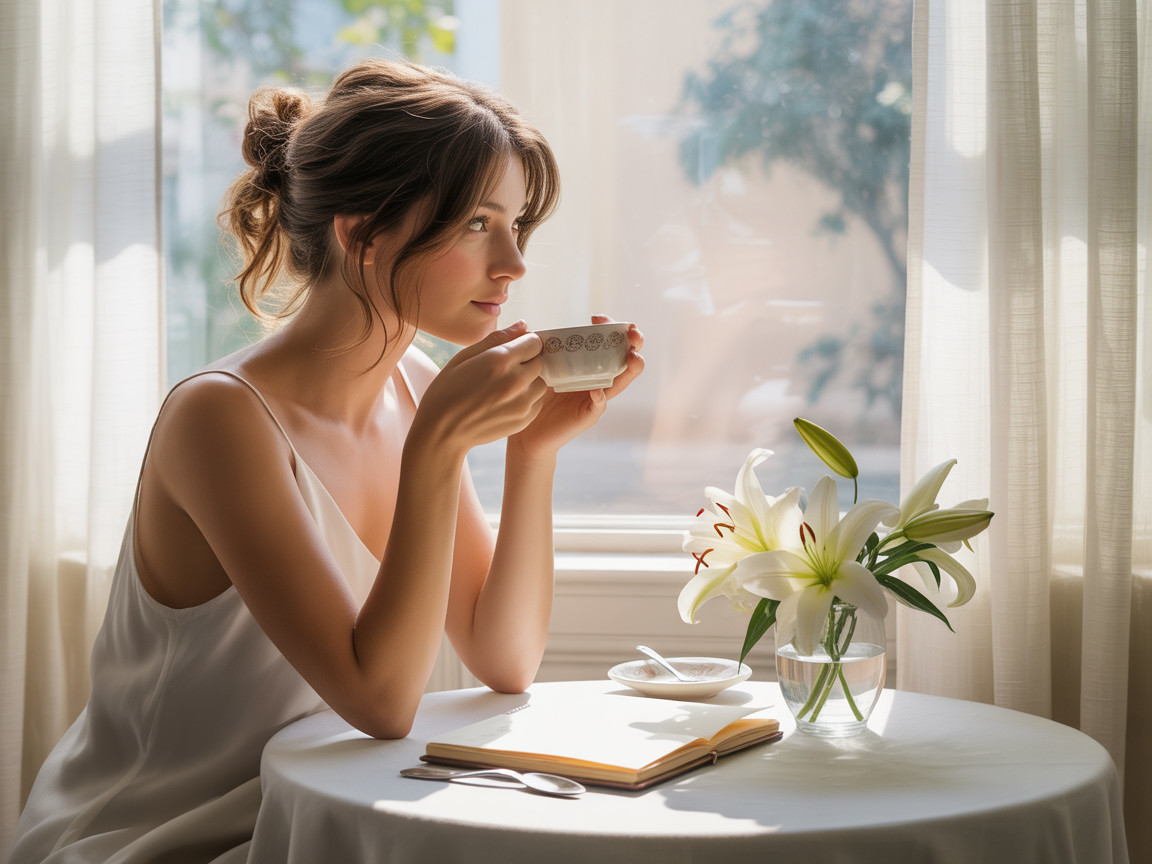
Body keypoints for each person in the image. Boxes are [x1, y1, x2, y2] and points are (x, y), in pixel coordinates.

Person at [7, 57, 644, 863]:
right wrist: (440, 449)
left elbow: (503, 655)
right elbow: (380, 700)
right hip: (164, 841)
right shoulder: (222, 418)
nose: (513, 264)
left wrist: (533, 454)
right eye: (479, 225)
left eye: (516, 226)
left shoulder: (412, 386)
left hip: (321, 824)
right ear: (362, 233)